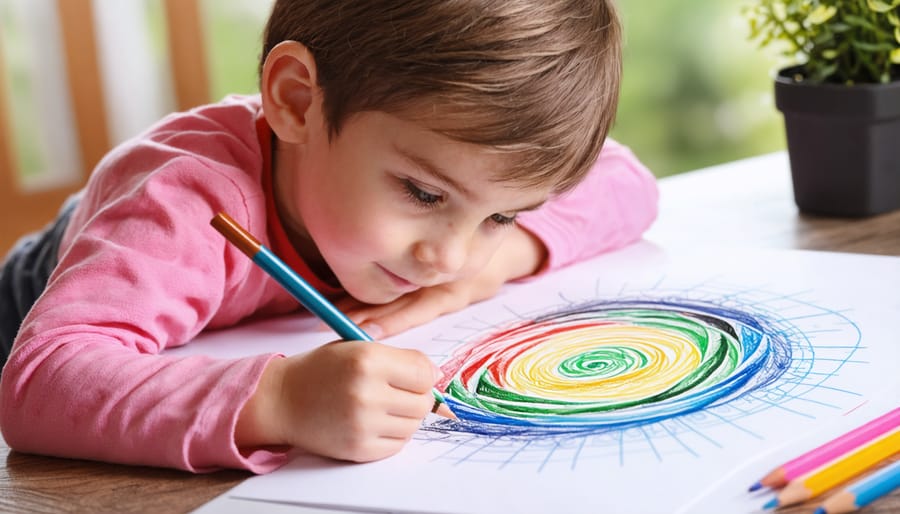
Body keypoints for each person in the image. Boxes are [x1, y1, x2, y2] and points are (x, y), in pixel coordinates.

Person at [0, 0, 657, 473]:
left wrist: (504, 258)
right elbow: (42, 385)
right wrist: (281, 403)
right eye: (424, 194)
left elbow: (628, 182)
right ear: (295, 101)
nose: (449, 257)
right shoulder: (182, 204)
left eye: (502, 215)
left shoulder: (447, 223)